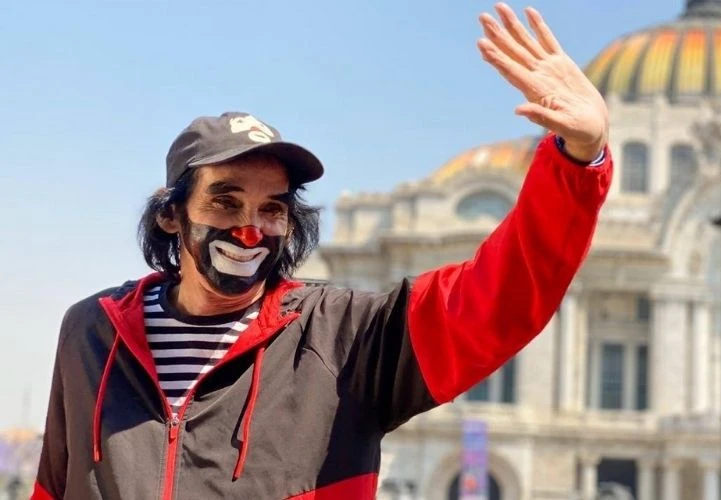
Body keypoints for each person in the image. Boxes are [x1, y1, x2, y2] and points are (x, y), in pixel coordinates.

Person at [31, 4, 614, 499]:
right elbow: (54, 483)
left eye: (272, 209)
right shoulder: (92, 331)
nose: (250, 231)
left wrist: (578, 160)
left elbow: (501, 295)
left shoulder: (345, 339)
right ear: (170, 215)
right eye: (225, 202)